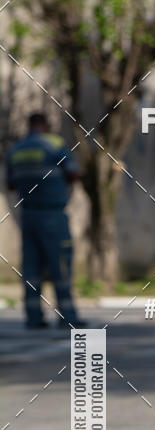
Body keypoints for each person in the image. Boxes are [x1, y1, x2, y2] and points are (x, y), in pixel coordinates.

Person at [5, 111, 86, 329]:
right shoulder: (54, 145)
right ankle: (67, 316)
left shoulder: (16, 149)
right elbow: (73, 173)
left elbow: (10, 184)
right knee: (60, 265)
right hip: (52, 214)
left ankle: (33, 317)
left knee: (31, 266)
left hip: (27, 215)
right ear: (45, 126)